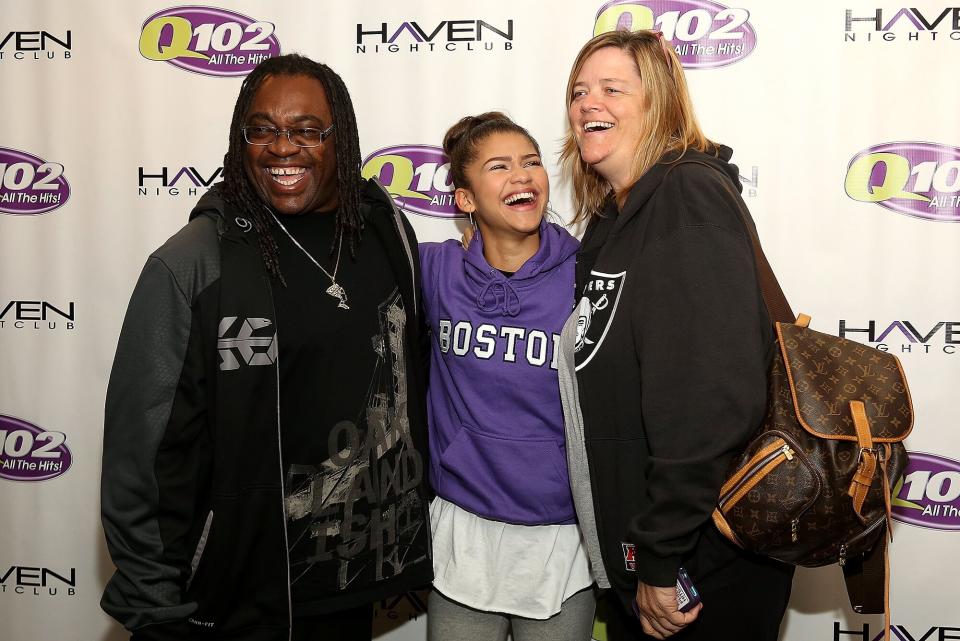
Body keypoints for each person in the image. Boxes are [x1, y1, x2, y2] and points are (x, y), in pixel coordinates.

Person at [100, 54, 432, 641]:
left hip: (354, 579)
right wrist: (152, 603)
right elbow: (144, 453)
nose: (283, 148)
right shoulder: (194, 263)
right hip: (237, 597)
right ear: (239, 138)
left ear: (342, 139)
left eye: (307, 130)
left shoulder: (386, 231)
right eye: (263, 130)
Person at [556, 30, 794, 641]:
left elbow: (707, 400)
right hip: (652, 555)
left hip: (701, 567)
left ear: (658, 102)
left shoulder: (686, 197)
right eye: (579, 92)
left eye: (612, 89)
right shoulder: (612, 222)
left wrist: (660, 554)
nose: (588, 104)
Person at [419, 113, 595, 641]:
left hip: (560, 537)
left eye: (532, 162)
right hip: (462, 531)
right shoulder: (432, 271)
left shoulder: (587, 274)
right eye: (499, 167)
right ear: (465, 199)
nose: (522, 176)